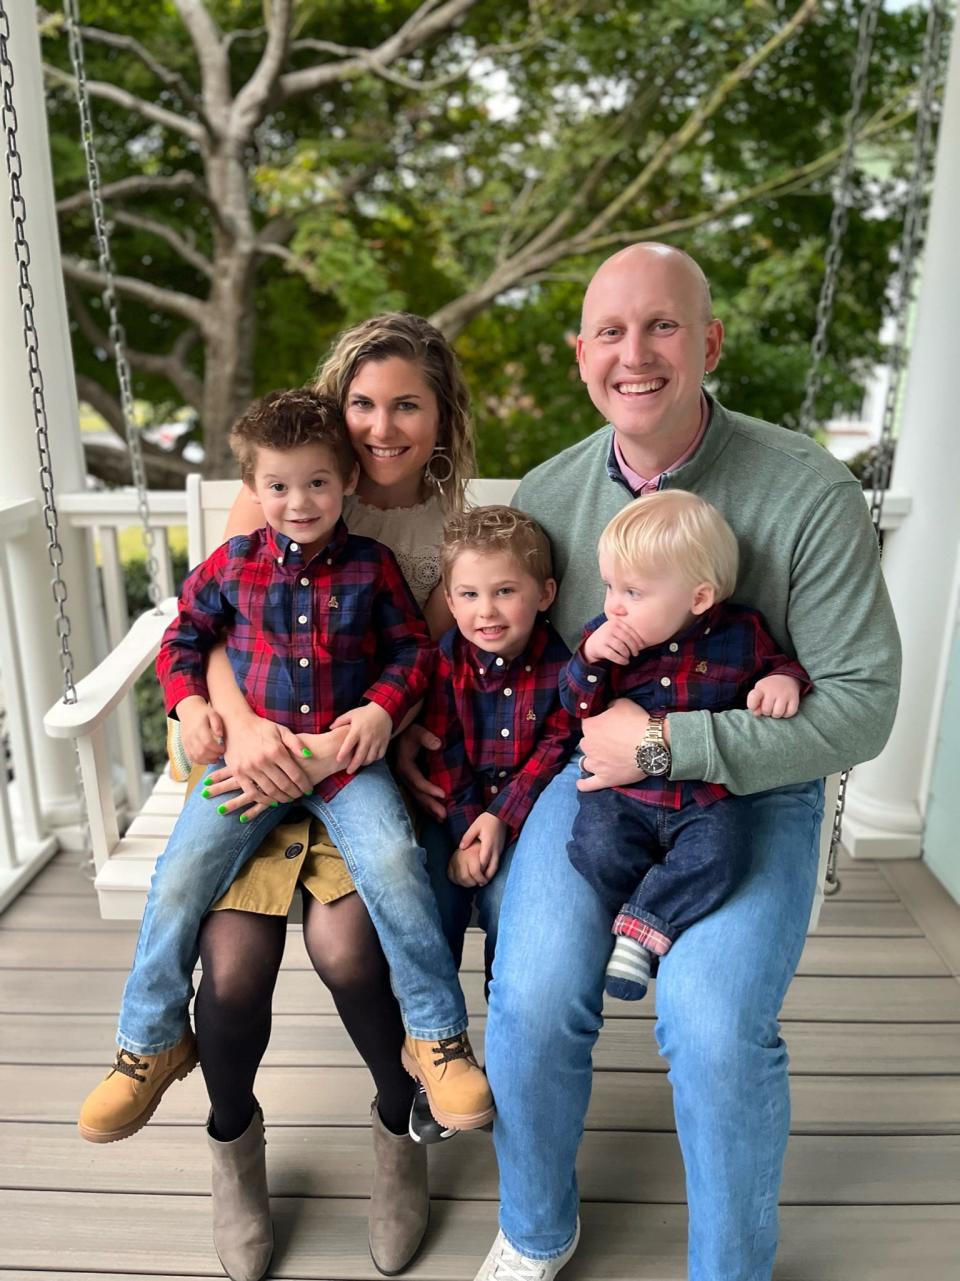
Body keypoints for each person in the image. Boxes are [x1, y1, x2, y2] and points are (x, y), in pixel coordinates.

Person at [400, 243, 900, 1281]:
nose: (637, 354)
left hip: (748, 790)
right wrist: (417, 725)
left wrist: (677, 742)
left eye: (664, 326)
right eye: (612, 333)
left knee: (713, 1026)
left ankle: (729, 1268)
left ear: (708, 341)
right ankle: (537, 1226)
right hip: (593, 789)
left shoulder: (806, 490)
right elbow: (499, 653)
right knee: (530, 998)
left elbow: (862, 707)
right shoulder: (550, 491)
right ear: (582, 354)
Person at [82, 313, 480, 1281]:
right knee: (224, 961)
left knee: (359, 930)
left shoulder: (405, 547)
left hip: (350, 767)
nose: (382, 426)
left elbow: (419, 656)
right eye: (365, 405)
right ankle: (191, 1099)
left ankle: (414, 1096)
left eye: (407, 406)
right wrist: (207, 713)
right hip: (250, 760)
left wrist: (393, 716)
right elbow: (194, 635)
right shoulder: (262, 517)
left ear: (440, 418)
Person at [560, 489, 810, 1000]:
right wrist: (589, 659)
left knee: (723, 855)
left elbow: (780, 666)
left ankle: (642, 929)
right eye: (610, 586)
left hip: (704, 792)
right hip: (621, 794)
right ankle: (642, 917)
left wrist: (783, 683)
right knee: (593, 848)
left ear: (698, 598)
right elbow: (573, 704)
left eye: (633, 592)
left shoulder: (741, 635)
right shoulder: (605, 637)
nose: (614, 605)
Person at [417, 505, 579, 1013]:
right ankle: (436, 1039)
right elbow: (443, 751)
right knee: (431, 907)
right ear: (449, 599)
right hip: (450, 813)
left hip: (526, 820)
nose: (485, 611)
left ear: (545, 594)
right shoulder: (445, 661)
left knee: (511, 906)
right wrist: (471, 829)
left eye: (504, 591)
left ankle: (509, 1021)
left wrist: (500, 820)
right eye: (469, 595)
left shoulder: (565, 666)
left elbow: (557, 748)